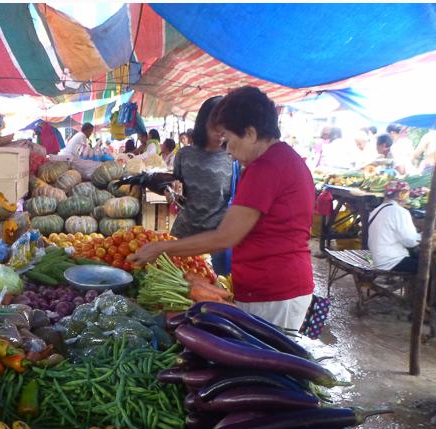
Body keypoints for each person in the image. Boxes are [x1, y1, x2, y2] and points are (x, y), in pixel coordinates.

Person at [130, 86, 315, 331]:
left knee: (262, 364)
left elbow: (225, 236)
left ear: (249, 133)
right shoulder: (283, 159)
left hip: (274, 291)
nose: (227, 150)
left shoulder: (266, 168)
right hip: (275, 287)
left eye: (229, 140)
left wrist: (162, 248)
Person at [168, 96, 234, 275]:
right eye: (215, 127)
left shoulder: (233, 159)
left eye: (225, 128)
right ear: (203, 123)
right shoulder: (184, 155)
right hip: (183, 234)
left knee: (214, 292)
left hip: (215, 242)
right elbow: (176, 194)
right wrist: (172, 194)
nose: (220, 133)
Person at [366, 180, 420, 272]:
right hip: (392, 262)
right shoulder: (399, 211)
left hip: (379, 259)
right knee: (430, 268)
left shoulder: (376, 210)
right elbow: (411, 241)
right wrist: (422, 236)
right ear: (402, 195)